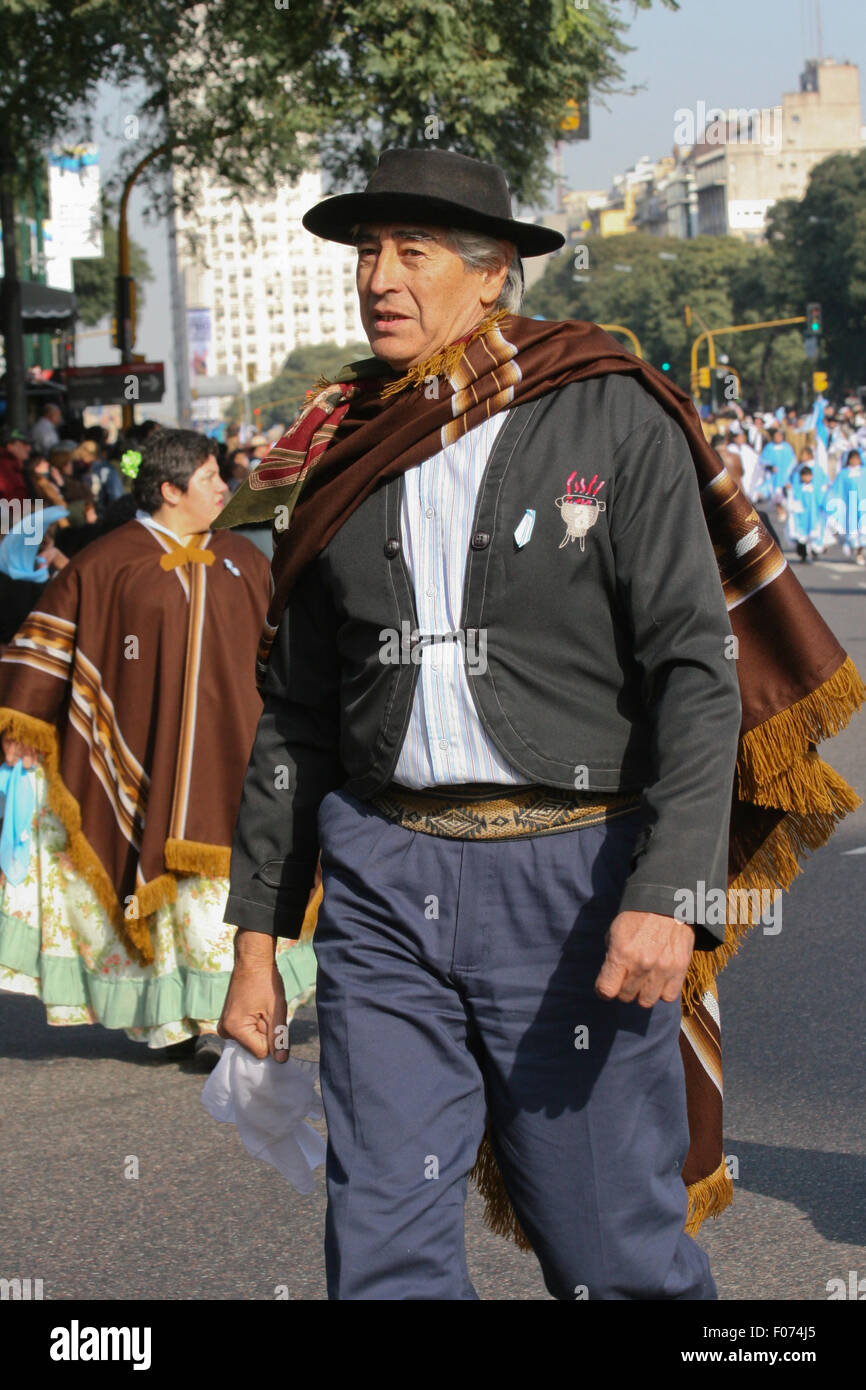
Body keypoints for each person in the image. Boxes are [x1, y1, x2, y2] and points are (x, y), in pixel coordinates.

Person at [214, 148, 862, 1300]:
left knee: (609, 1250)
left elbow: (693, 674)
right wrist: (256, 942)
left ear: (493, 272)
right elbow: (296, 717)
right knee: (378, 1249)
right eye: (367, 249)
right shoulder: (332, 455)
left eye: (411, 250)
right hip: (381, 882)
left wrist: (668, 897)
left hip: (573, 880)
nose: (378, 276)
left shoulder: (606, 412)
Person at [0, 429, 314, 1067]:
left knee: (228, 891)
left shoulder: (242, 559)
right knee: (165, 898)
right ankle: (178, 1018)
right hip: (144, 763)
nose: (226, 489)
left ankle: (229, 1011)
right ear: (171, 490)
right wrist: (22, 725)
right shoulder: (109, 561)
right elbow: (47, 645)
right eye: (211, 479)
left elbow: (286, 648)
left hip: (240, 759)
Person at [827, 448, 866, 565]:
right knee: (853, 531)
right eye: (852, 458)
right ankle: (854, 547)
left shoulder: (864, 471)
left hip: (864, 506)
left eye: (857, 458)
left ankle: (860, 552)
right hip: (851, 506)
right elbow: (836, 489)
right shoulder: (844, 474)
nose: (855, 461)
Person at [786, 460, 828, 563]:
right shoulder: (797, 488)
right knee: (802, 537)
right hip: (801, 517)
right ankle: (803, 555)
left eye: (808, 475)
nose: (806, 478)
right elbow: (793, 499)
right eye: (804, 476)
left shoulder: (816, 488)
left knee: (814, 534)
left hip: (813, 515)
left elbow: (821, 499)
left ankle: (815, 551)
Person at [0, 430, 32, 504]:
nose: (29, 448)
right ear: (10, 446)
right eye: (24, 444)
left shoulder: (17, 466)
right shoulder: (4, 468)